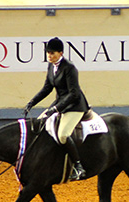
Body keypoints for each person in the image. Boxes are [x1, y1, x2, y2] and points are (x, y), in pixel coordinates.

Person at [23, 37, 90, 180]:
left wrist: (56, 109)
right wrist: (32, 102)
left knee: (63, 135)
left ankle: (78, 167)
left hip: (74, 105)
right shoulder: (51, 66)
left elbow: (74, 93)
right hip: (60, 103)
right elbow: (47, 88)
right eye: (48, 53)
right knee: (40, 124)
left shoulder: (69, 68)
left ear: (60, 53)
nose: (49, 56)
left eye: (52, 53)